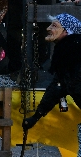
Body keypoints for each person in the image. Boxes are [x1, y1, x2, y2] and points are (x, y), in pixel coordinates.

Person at [22, 14, 81, 146]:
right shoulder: (66, 54)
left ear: (66, 31)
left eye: (54, 26)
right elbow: (57, 88)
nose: (48, 28)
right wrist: (36, 116)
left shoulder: (73, 54)